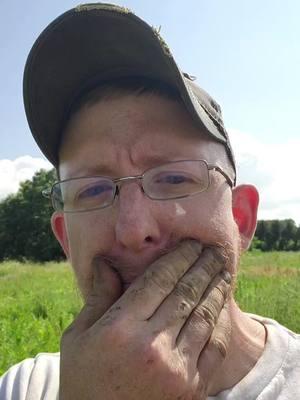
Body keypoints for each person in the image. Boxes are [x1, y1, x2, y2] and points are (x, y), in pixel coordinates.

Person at [1, 3, 299, 399]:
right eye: (92, 189)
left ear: (240, 217)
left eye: (175, 177)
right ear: (66, 240)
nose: (134, 229)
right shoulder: (25, 387)